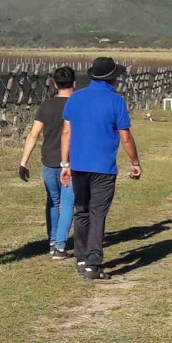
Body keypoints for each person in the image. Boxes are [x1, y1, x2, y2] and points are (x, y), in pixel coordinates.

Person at [61, 57, 141, 282]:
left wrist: (64, 163)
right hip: (103, 167)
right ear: (112, 78)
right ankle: (93, 264)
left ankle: (81, 258)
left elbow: (66, 133)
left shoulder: (75, 98)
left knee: (82, 210)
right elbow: (125, 137)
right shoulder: (116, 101)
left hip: (78, 165)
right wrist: (135, 162)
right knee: (98, 214)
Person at [18, 66, 77, 260]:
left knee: (53, 201)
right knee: (68, 204)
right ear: (75, 84)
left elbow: (33, 135)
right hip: (70, 162)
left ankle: (52, 241)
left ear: (54, 84)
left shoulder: (46, 106)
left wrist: (24, 162)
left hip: (49, 161)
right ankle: (60, 246)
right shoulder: (78, 104)